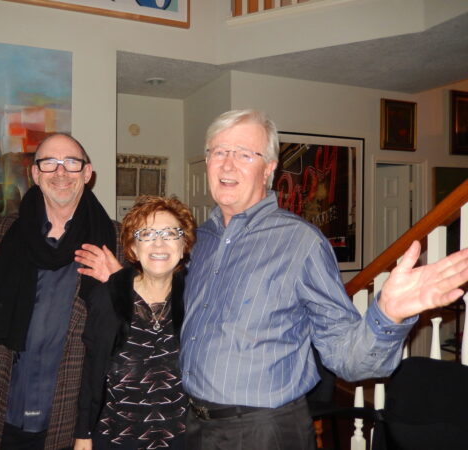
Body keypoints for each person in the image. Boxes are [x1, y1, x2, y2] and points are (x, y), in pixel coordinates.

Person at [177, 109, 468, 449]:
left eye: (244, 154)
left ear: (269, 168)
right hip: (192, 424)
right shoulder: (199, 240)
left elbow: (348, 358)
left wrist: (388, 315)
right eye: (219, 151)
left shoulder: (300, 243)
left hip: (263, 431)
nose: (228, 164)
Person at [0, 133, 122, 450]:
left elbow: (137, 329)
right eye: (49, 163)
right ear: (35, 173)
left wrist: (121, 281)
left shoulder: (115, 240)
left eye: (71, 163)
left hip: (72, 415)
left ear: (87, 174)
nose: (60, 173)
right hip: (2, 405)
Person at [74, 196, 196, 450]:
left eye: (171, 233)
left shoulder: (197, 296)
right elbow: (91, 368)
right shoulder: (107, 297)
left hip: (181, 440)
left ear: (184, 244)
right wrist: (83, 432)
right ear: (133, 247)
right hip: (116, 439)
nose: (159, 243)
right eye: (147, 234)